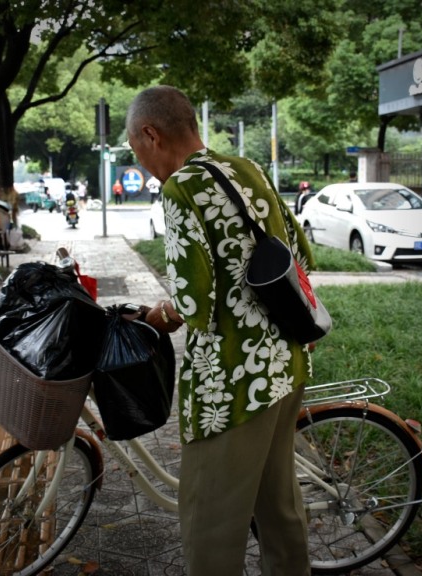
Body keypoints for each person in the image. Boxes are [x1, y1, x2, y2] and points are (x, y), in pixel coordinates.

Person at [126, 85, 313, 576]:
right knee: (280, 510)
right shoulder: (247, 168)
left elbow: (194, 305)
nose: (141, 161)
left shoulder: (181, 189)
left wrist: (156, 317)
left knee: (211, 524)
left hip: (231, 386)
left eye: (135, 148)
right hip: (286, 363)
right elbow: (299, 254)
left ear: (151, 134)